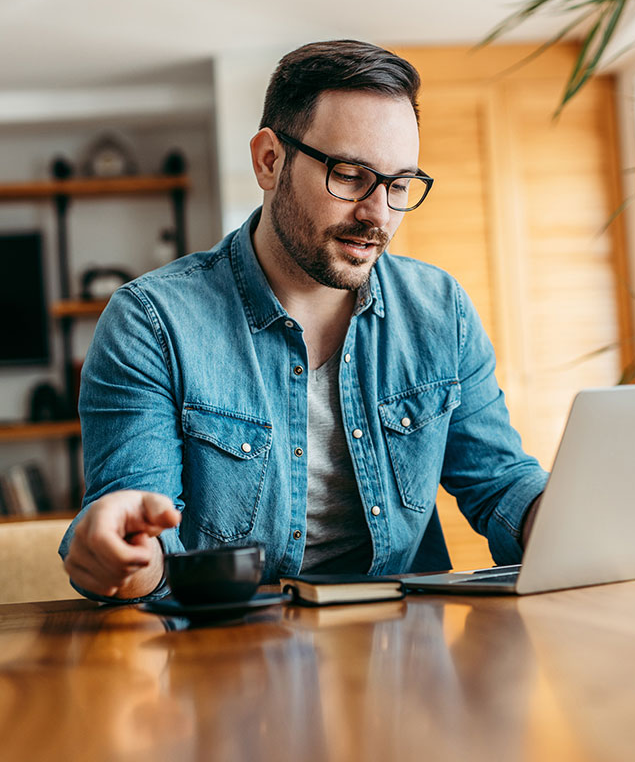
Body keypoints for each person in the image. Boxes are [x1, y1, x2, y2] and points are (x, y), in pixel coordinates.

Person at [59, 40, 548, 602]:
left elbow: (501, 484)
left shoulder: (440, 309)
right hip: (227, 657)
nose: (378, 215)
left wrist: (572, 517)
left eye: (398, 185)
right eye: (350, 175)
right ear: (270, 160)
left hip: (406, 653)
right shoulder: (151, 322)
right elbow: (141, 535)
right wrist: (125, 555)